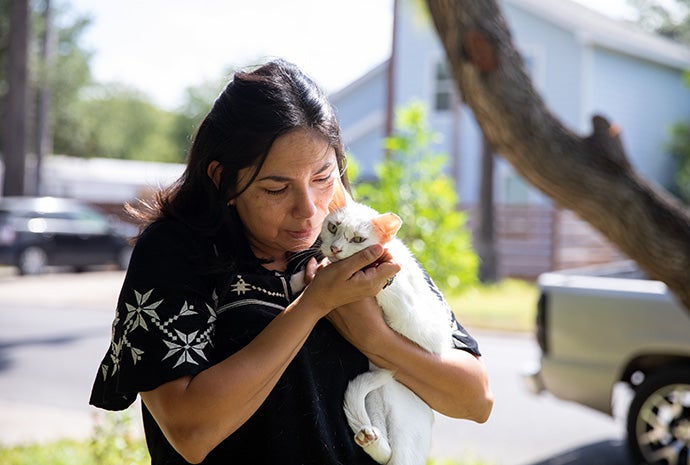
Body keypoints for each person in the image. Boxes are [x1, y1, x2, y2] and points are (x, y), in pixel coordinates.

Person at [90, 58, 493, 465]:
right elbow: (191, 432)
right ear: (222, 179)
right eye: (276, 188)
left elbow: (476, 401)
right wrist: (315, 304)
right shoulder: (176, 251)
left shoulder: (349, 237)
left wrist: (374, 339)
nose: (308, 210)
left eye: (322, 178)